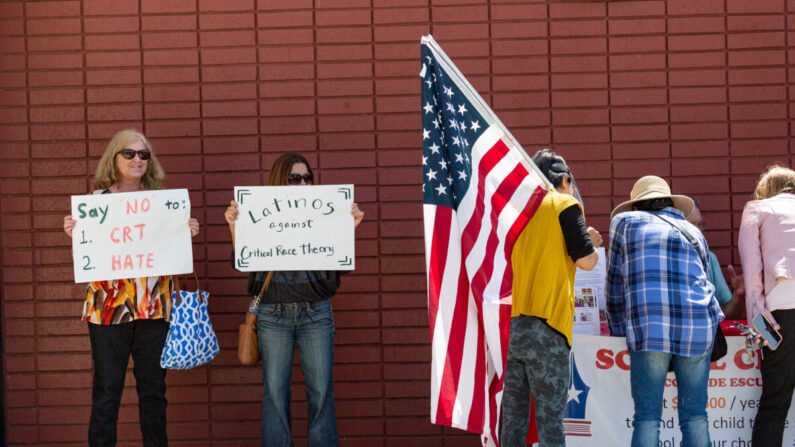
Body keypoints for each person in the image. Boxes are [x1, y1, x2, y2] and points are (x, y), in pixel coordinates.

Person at [63, 129, 200, 447]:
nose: (137, 159)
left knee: (154, 393)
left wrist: (185, 232)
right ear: (114, 157)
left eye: (143, 154)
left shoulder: (162, 202)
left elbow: (171, 252)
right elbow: (92, 254)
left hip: (154, 307)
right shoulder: (95, 204)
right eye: (130, 154)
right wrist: (75, 232)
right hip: (109, 309)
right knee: (107, 393)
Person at [224, 152, 364, 447]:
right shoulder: (261, 212)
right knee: (275, 395)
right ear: (279, 181)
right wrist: (235, 228)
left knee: (322, 393)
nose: (302, 183)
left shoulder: (324, 213)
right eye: (294, 178)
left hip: (316, 312)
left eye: (307, 177)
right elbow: (244, 263)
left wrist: (347, 230)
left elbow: (340, 267)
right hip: (273, 314)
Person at [606, 175, 723, 447]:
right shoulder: (693, 231)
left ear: (635, 206)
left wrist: (618, 328)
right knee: (695, 416)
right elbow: (706, 278)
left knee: (647, 416)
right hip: (697, 327)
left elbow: (614, 283)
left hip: (649, 326)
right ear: (670, 203)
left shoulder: (623, 222)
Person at [501, 149, 601, 446]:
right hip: (550, 326)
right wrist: (592, 244)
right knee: (550, 424)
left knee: (513, 421)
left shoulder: (517, 210)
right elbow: (586, 261)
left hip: (515, 327)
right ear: (565, 180)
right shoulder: (564, 204)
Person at [738, 165, 795, 445]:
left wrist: (761, 325)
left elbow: (752, 276)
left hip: (783, 313)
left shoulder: (758, 209)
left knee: (775, 400)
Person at [687, 198, 745, 319]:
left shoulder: (709, 258)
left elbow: (726, 316)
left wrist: (738, 296)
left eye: (699, 224)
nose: (698, 231)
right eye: (691, 225)